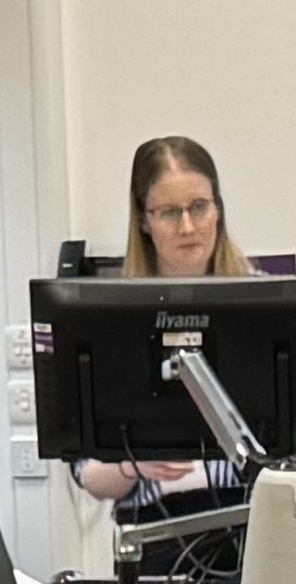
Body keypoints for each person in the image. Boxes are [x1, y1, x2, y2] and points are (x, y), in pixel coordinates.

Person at [73, 133, 253, 508]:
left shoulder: (262, 306)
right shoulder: (112, 319)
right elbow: (85, 471)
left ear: (218, 209)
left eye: (199, 207)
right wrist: (132, 465)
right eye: (171, 213)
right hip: (151, 532)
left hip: (252, 524)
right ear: (143, 221)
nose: (188, 227)